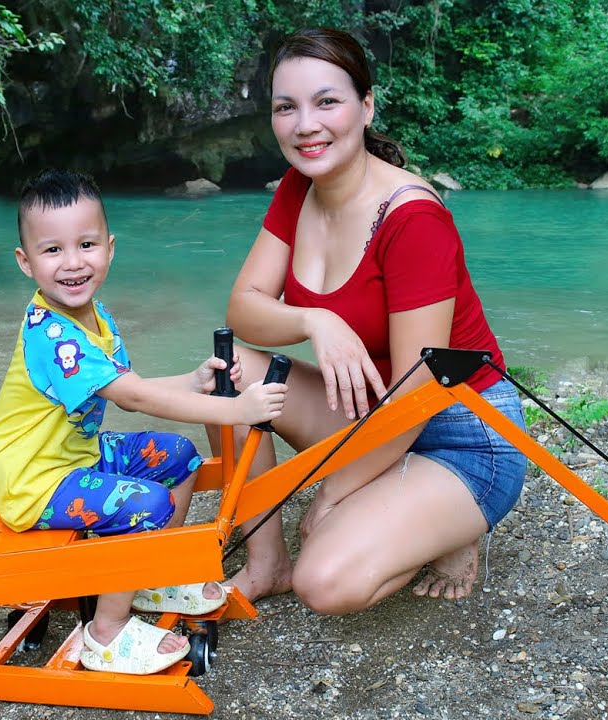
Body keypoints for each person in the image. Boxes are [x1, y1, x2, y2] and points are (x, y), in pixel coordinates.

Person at [216, 27, 528, 613]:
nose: (306, 124)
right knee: (227, 372)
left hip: (461, 432)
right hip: (368, 408)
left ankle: (453, 528)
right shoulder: (299, 185)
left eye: (326, 101)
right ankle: (267, 563)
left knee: (327, 583)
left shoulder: (412, 219)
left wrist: (334, 491)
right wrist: (315, 321)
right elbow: (243, 310)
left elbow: (418, 391)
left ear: (366, 106)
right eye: (287, 107)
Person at [0, 170, 288, 674]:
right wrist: (236, 410)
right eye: (52, 250)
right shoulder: (52, 335)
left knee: (179, 455)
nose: (74, 263)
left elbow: (130, 387)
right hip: (33, 480)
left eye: (86, 244)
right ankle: (105, 634)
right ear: (25, 261)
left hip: (71, 457)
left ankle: (148, 573)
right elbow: (136, 396)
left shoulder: (94, 316)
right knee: (148, 504)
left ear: (110, 246)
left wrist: (194, 382)